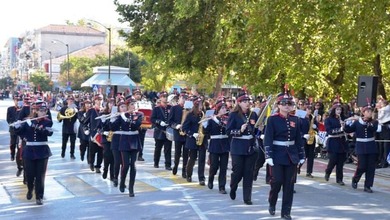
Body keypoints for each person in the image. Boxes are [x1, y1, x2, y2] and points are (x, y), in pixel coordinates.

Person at [264, 92, 305, 219]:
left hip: (291, 155)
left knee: (289, 184)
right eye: (284, 104)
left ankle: (286, 211)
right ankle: (272, 202)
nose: (287, 106)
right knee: (277, 182)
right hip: (277, 154)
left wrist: (301, 154)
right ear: (279, 105)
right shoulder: (272, 119)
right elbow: (268, 138)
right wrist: (268, 155)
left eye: (290, 104)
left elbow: (298, 138)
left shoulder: (295, 120)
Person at [14, 100, 53, 205]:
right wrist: (17, 126)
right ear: (35, 111)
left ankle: (39, 196)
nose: (43, 112)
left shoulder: (47, 121)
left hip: (42, 151)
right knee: (30, 175)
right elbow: (21, 132)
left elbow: (48, 132)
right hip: (29, 151)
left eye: (45, 110)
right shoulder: (27, 121)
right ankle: (30, 188)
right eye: (41, 110)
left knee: (40, 176)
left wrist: (32, 125)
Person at [226, 90, 259, 205]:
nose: (247, 103)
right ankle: (233, 186)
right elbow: (228, 131)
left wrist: (260, 128)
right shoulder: (234, 115)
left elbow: (255, 131)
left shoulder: (253, 114)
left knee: (248, 173)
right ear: (239, 103)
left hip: (250, 147)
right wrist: (239, 130)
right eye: (244, 101)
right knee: (237, 172)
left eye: (248, 101)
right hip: (238, 147)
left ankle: (247, 197)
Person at [345, 105, 381, 193]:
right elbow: (349, 130)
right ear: (363, 113)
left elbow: (373, 128)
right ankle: (355, 179)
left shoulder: (374, 122)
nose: (369, 113)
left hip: (371, 146)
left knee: (371, 167)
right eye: (367, 111)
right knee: (362, 166)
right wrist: (346, 123)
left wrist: (364, 122)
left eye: (370, 111)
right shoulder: (357, 122)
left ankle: (367, 186)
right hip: (361, 146)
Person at [113, 95, 143, 197]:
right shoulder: (121, 115)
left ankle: (131, 188)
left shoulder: (139, 114)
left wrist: (124, 117)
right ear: (127, 105)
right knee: (125, 165)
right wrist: (111, 119)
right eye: (131, 104)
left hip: (134, 141)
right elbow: (113, 127)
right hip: (124, 141)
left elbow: (135, 125)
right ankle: (122, 182)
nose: (133, 106)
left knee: (133, 165)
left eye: (134, 104)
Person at [204, 98, 230, 194]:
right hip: (214, 145)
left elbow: (225, 127)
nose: (224, 110)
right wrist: (205, 125)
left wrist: (215, 119)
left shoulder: (227, 119)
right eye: (222, 108)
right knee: (214, 166)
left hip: (224, 144)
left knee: (223, 167)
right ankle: (210, 179)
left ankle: (222, 187)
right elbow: (207, 133)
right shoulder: (211, 120)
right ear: (218, 109)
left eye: (225, 108)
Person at [182, 95, 208, 185]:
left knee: (202, 159)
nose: (201, 108)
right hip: (193, 139)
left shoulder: (204, 115)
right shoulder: (190, 115)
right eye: (200, 106)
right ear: (196, 106)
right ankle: (188, 174)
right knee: (192, 158)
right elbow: (184, 128)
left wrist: (206, 125)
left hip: (202, 140)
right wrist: (193, 134)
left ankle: (201, 178)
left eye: (202, 106)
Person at [324, 102, 348, 185]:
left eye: (340, 109)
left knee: (340, 162)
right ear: (334, 110)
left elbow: (347, 129)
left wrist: (345, 126)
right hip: (333, 142)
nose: (339, 111)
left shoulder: (343, 119)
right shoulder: (328, 120)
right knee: (333, 160)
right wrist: (340, 129)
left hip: (342, 142)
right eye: (337, 109)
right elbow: (329, 131)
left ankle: (339, 179)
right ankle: (328, 172)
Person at [168, 91, 189, 178]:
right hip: (178, 132)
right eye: (182, 98)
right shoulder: (174, 108)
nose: (184, 100)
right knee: (177, 152)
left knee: (186, 153)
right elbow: (170, 121)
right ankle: (175, 166)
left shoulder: (189, 109)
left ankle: (184, 170)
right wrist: (176, 126)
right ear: (179, 98)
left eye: (185, 99)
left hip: (187, 133)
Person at [151, 91, 173, 170]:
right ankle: (156, 162)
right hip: (159, 131)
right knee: (158, 148)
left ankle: (168, 164)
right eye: (163, 96)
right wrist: (159, 122)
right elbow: (152, 119)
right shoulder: (156, 108)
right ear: (160, 98)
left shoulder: (170, 108)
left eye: (166, 96)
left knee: (168, 149)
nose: (164, 98)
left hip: (168, 131)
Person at [109, 97, 127, 187]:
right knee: (117, 161)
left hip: (125, 141)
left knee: (124, 162)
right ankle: (115, 177)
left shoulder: (128, 117)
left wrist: (124, 117)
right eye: (122, 107)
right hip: (116, 141)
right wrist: (113, 118)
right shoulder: (115, 116)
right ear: (118, 108)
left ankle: (123, 180)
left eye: (125, 106)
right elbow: (112, 127)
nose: (123, 108)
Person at [85, 94, 104, 173]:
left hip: (102, 133)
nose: (99, 101)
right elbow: (85, 121)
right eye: (98, 99)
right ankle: (91, 163)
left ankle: (98, 166)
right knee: (92, 151)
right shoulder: (91, 110)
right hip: (93, 134)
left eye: (101, 99)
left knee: (101, 151)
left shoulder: (104, 110)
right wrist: (86, 129)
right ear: (95, 100)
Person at [7, 95, 23, 177]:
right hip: (13, 129)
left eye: (19, 100)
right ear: (14, 100)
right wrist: (13, 123)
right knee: (12, 144)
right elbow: (8, 119)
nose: (18, 101)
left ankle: (20, 164)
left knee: (20, 147)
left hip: (20, 131)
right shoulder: (10, 109)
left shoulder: (23, 109)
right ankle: (12, 154)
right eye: (17, 100)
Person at [133, 89, 147, 161]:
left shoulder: (144, 103)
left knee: (141, 141)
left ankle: (140, 155)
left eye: (139, 94)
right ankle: (134, 154)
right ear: (134, 95)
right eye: (136, 94)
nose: (138, 95)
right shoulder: (131, 103)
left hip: (143, 125)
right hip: (134, 124)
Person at [77, 98, 92, 163]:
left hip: (90, 130)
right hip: (82, 130)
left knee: (90, 146)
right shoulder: (80, 112)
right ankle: (82, 154)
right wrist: (85, 115)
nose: (88, 105)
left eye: (89, 104)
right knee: (83, 145)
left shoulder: (92, 111)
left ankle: (89, 159)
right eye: (86, 104)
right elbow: (81, 120)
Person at [377, 99, 390, 168]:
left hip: (387, 128)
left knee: (386, 145)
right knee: (381, 145)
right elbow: (379, 118)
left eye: (380, 103)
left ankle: (385, 161)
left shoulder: (387, 108)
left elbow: (381, 115)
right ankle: (381, 160)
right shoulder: (381, 110)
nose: (379, 104)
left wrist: (379, 109)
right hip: (382, 127)